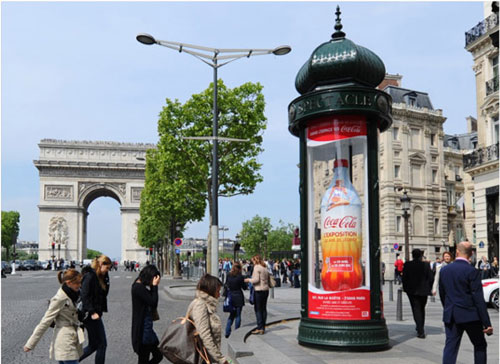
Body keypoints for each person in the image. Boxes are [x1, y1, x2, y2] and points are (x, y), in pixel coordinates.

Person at [439, 241, 493, 364]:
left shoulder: (445, 270)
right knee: (479, 345)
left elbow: (443, 294)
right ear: (471, 254)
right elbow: (478, 298)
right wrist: (486, 323)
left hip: (451, 314)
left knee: (450, 347)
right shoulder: (472, 271)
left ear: (456, 252)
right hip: (471, 315)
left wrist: (448, 308)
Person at [24, 269, 84, 364]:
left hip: (72, 336)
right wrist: (31, 343)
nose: (79, 285)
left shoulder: (75, 294)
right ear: (68, 283)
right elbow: (45, 321)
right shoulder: (60, 298)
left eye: (80, 282)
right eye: (77, 283)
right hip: (65, 340)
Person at [187, 274, 231, 364]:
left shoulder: (205, 304)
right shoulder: (200, 305)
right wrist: (221, 359)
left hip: (204, 354)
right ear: (210, 290)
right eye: (218, 291)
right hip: (200, 356)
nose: (219, 295)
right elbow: (205, 335)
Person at [79, 255, 112, 364]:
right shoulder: (89, 276)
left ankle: (71, 361)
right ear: (101, 264)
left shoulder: (100, 277)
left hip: (96, 313)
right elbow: (84, 295)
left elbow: (105, 294)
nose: (108, 271)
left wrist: (106, 278)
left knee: (94, 345)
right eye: (107, 268)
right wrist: (92, 312)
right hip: (90, 315)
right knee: (102, 344)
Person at [131, 264, 162, 364]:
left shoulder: (139, 285)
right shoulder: (138, 288)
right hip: (143, 332)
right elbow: (153, 303)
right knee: (152, 357)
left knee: (158, 355)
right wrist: (155, 286)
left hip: (147, 330)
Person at [402, 249, 433, 339]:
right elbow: (431, 278)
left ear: (412, 255)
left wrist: (406, 288)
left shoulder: (407, 265)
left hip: (412, 291)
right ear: (421, 256)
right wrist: (429, 287)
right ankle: (420, 327)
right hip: (424, 291)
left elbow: (404, 278)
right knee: (422, 308)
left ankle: (420, 329)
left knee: (416, 309)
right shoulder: (426, 265)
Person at [244, 255, 270, 335]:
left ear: (255, 260)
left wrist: (248, 280)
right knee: (264, 308)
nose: (252, 262)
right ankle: (263, 327)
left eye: (253, 260)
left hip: (259, 290)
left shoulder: (256, 267)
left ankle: (259, 327)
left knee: (258, 309)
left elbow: (256, 280)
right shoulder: (265, 267)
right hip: (266, 289)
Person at [224, 262, 247, 338]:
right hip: (238, 296)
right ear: (239, 269)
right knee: (238, 315)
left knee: (231, 315)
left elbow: (226, 284)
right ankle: (236, 331)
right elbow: (244, 287)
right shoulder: (240, 277)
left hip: (231, 296)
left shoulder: (228, 275)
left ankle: (227, 331)